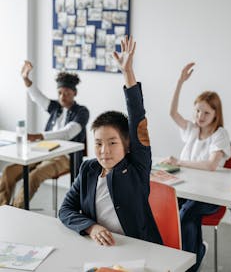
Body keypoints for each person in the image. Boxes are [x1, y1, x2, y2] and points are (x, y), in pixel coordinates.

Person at [59, 36, 162, 246]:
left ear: (127, 144)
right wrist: (91, 226)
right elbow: (65, 210)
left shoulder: (137, 167)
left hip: (139, 249)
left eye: (112, 142)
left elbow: (137, 118)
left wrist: (128, 73)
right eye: (98, 143)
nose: (104, 150)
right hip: (101, 249)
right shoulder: (88, 169)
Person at [163, 62, 231, 272]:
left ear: (215, 115)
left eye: (206, 113)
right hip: (188, 188)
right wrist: (180, 82)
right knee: (166, 208)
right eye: (197, 111)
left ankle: (191, 263)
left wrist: (179, 162)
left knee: (186, 214)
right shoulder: (192, 129)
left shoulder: (220, 134)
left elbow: (211, 165)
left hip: (210, 195)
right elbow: (172, 112)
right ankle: (192, 251)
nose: (200, 117)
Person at [0, 61, 89, 208]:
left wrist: (40, 136)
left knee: (33, 176)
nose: (63, 96)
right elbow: (37, 96)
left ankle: (17, 210)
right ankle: (2, 208)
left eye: (67, 93)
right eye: (60, 93)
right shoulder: (55, 108)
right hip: (43, 150)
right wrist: (25, 78)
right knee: (9, 171)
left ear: (75, 93)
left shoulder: (82, 112)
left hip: (65, 157)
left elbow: (68, 133)